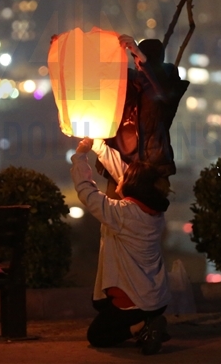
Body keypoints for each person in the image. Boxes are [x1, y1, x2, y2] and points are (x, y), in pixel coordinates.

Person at [71, 136, 171, 355]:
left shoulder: (123, 214)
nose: (120, 178)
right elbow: (125, 173)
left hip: (135, 301)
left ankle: (142, 328)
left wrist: (80, 156)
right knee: (100, 304)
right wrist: (98, 146)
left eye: (125, 178)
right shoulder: (154, 211)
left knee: (97, 336)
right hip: (156, 298)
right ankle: (150, 322)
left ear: (133, 186)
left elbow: (87, 192)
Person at [101, 36, 189, 195]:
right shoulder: (129, 80)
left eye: (139, 57)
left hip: (151, 169)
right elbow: (98, 76)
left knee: (145, 210)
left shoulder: (169, 84)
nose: (136, 61)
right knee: (113, 210)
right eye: (135, 57)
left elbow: (164, 93)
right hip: (118, 164)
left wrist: (141, 56)